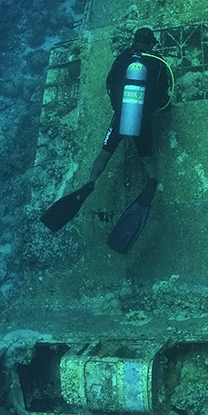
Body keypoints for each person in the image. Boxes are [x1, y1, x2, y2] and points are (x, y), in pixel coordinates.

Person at [40, 26, 174, 253]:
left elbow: (110, 83)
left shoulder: (123, 58)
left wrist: (117, 109)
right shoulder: (159, 62)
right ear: (152, 43)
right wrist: (158, 109)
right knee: (147, 158)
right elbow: (164, 96)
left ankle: (90, 183)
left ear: (134, 41)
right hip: (141, 121)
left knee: (104, 153)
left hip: (120, 117)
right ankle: (151, 183)